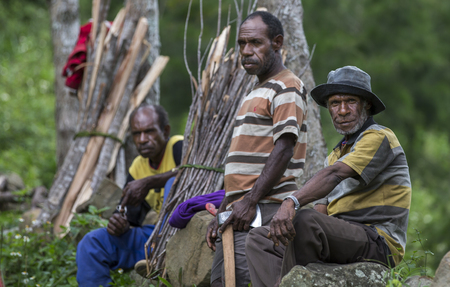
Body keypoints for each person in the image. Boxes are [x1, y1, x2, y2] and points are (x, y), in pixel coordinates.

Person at [245, 66, 412, 287]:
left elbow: (334, 175)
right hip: (342, 238)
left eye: (350, 101)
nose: (342, 110)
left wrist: (291, 201)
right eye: (335, 103)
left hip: (378, 241)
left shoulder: (380, 137)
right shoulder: (334, 155)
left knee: (304, 220)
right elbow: (321, 213)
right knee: (260, 239)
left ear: (366, 105)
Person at [206, 11, 308, 287]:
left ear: (277, 43)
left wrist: (250, 201)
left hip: (264, 210)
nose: (246, 51)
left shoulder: (287, 85)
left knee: (240, 281)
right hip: (242, 210)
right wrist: (225, 209)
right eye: (241, 44)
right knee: (223, 282)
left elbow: (284, 148)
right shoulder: (255, 92)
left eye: (255, 43)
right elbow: (244, 167)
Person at [76, 104, 183, 287]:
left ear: (165, 131)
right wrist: (120, 223)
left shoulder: (178, 146)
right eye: (136, 133)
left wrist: (149, 182)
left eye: (149, 131)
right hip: (153, 239)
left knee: (171, 183)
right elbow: (129, 217)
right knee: (91, 243)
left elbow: (190, 174)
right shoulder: (137, 167)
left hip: (181, 235)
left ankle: (163, 256)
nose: (142, 139)